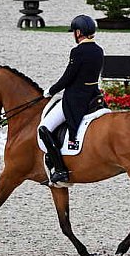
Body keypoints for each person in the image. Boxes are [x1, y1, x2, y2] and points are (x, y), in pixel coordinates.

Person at [38, 14, 104, 183]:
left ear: (79, 32)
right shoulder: (98, 50)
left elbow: (68, 77)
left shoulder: (78, 51)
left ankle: (60, 170)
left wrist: (50, 91)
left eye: (74, 31)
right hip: (93, 95)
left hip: (76, 99)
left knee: (44, 128)